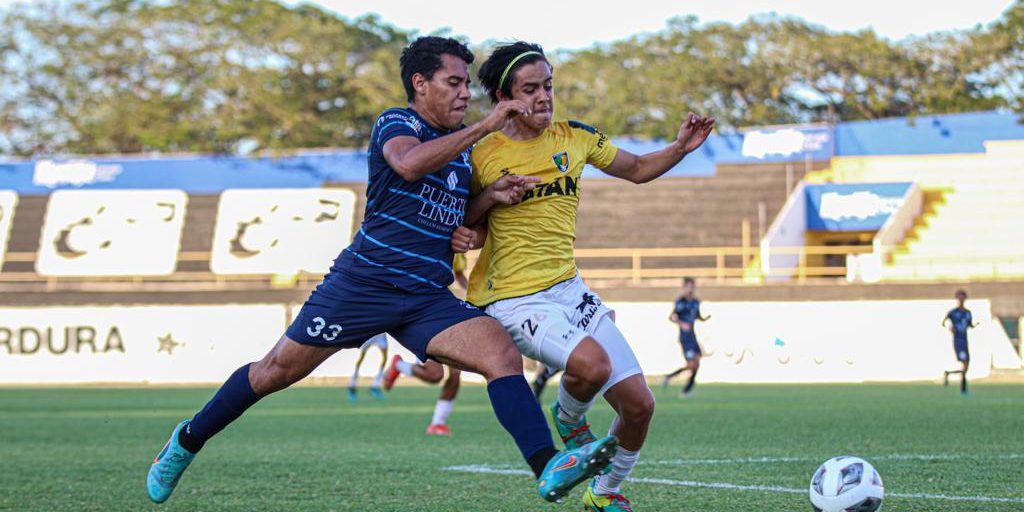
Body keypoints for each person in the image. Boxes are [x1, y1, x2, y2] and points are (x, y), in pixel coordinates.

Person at [145, 36, 616, 506]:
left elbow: (460, 218)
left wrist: (486, 202)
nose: (464, 94)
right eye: (453, 83)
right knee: (274, 372)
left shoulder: (465, 152)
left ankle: (546, 465)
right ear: (420, 83)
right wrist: (484, 126)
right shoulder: (397, 123)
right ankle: (186, 440)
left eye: (466, 85)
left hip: (426, 296)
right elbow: (408, 165)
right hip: (364, 285)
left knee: (499, 351)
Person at [453, 41, 714, 512]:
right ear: (503, 98)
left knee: (640, 406)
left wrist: (680, 148)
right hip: (512, 298)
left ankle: (604, 493)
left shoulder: (574, 137)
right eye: (530, 90)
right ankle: (570, 419)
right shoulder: (480, 153)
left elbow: (637, 169)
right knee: (592, 366)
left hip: (570, 290)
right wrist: (487, 201)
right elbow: (466, 223)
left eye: (548, 86)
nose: (543, 98)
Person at [383, 253, 468, 435]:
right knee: (434, 375)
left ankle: (437, 423)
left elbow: (459, 274)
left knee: (455, 374)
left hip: (449, 310)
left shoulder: (456, 246)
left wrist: (472, 295)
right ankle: (399, 365)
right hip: (423, 312)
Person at [663, 277, 710, 396]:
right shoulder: (680, 302)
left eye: (692, 286)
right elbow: (671, 317)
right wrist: (681, 324)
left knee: (697, 363)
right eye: (689, 286)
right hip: (685, 339)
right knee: (691, 365)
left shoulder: (696, 302)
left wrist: (704, 319)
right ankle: (672, 379)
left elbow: (697, 315)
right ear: (684, 288)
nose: (691, 289)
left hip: (693, 336)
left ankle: (685, 389)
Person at [942, 289, 977, 395]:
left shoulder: (968, 313)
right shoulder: (953, 312)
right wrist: (949, 327)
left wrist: (975, 325)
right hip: (958, 341)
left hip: (965, 340)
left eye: (963, 297)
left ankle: (949, 374)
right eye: (959, 297)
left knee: (966, 365)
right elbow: (943, 322)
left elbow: (969, 325)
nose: (961, 299)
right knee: (965, 363)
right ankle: (963, 388)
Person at [346, 333, 389, 401]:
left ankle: (375, 386)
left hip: (380, 334)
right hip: (369, 333)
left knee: (385, 358)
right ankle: (352, 386)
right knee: (361, 358)